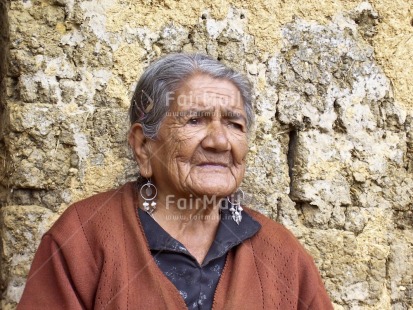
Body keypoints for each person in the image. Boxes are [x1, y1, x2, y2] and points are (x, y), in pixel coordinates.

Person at [18, 53, 333, 309]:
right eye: (195, 120)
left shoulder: (280, 253)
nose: (220, 142)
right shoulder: (83, 239)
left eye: (235, 124)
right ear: (143, 146)